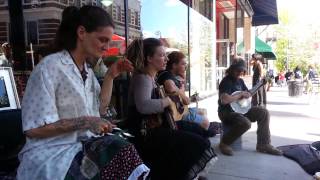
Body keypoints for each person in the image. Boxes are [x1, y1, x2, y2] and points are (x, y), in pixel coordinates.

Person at [17, 6, 149, 180]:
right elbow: (33, 129)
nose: (106, 47)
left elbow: (100, 109)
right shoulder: (49, 68)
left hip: (81, 145)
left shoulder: (86, 71)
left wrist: (110, 76)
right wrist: (86, 121)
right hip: (52, 154)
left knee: (123, 147)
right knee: (120, 151)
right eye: (103, 40)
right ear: (81, 32)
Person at [126, 38, 217, 180]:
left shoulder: (150, 77)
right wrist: (166, 101)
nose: (166, 59)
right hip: (145, 135)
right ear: (149, 58)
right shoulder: (143, 78)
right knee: (197, 143)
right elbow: (143, 106)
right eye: (162, 55)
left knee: (200, 133)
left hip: (154, 129)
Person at [218, 58, 282, 156]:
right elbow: (224, 100)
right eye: (237, 70)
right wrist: (240, 95)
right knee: (246, 123)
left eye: (242, 70)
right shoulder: (226, 81)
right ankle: (224, 143)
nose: (240, 72)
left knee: (263, 112)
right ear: (231, 69)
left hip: (241, 110)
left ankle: (263, 144)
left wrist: (260, 85)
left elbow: (248, 93)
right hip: (227, 112)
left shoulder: (240, 82)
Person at [156, 51, 210, 130]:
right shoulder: (166, 74)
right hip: (176, 116)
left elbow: (183, 100)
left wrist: (183, 81)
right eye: (183, 64)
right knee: (205, 122)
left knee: (203, 111)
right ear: (174, 65)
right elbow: (170, 87)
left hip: (180, 111)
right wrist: (181, 92)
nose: (185, 67)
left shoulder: (172, 76)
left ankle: (198, 132)